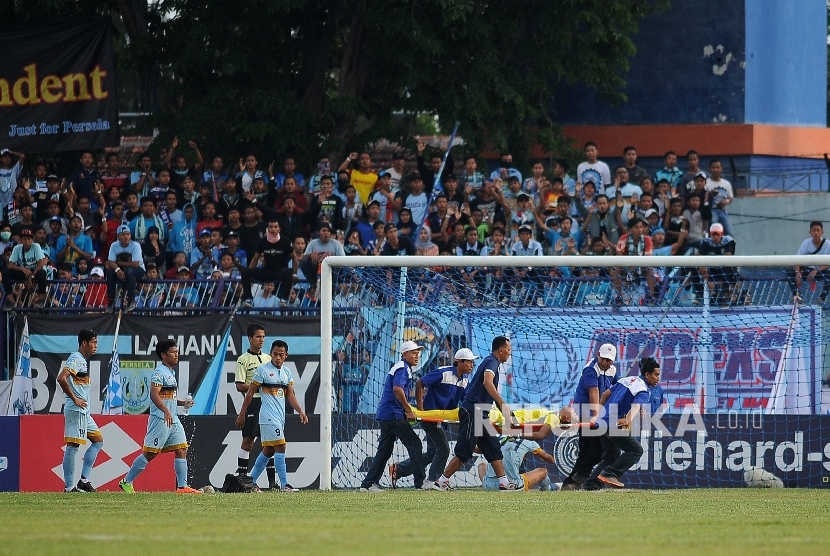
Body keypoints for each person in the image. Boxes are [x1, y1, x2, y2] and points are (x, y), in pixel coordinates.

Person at [436, 336, 519, 491]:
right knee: (464, 452)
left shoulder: (493, 363)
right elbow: (487, 382)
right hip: (474, 411)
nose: (509, 353)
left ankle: (504, 483)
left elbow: (489, 392)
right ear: (501, 350)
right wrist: (502, 403)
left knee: (493, 448)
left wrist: (507, 415)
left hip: (481, 413)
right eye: (508, 350)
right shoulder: (491, 361)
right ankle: (441, 481)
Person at [119, 339, 199, 493]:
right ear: (163, 355)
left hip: (172, 419)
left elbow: (168, 398)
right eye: (173, 352)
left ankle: (182, 487)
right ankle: (126, 481)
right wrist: (166, 411)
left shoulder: (170, 373)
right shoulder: (159, 373)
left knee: (182, 449)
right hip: (161, 419)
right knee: (150, 453)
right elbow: (154, 395)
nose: (177, 355)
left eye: (177, 351)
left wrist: (183, 403)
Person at [390, 348, 477, 488]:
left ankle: (399, 469)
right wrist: (421, 408)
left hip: (441, 419)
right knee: (443, 449)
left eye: (472, 362)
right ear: (459, 362)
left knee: (432, 452)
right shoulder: (443, 372)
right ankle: (434, 481)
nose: (472, 365)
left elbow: (466, 399)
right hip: (430, 417)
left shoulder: (465, 380)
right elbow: (420, 382)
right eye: (469, 362)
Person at [236, 339, 308, 492]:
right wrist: (242, 412)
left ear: (286, 355)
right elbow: (250, 393)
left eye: (281, 355)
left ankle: (251, 482)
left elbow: (291, 395)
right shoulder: (262, 370)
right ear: (271, 354)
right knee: (281, 446)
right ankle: (285, 485)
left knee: (268, 451)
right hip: (268, 416)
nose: (277, 357)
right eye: (275, 354)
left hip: (280, 417)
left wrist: (300, 411)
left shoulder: (287, 372)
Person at [359, 341, 428, 492]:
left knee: (385, 450)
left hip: (388, 414)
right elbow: (397, 389)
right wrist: (408, 410)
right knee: (415, 444)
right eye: (413, 353)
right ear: (404, 355)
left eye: (418, 353)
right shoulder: (403, 368)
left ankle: (368, 484)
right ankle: (420, 482)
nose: (417, 356)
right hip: (393, 414)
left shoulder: (403, 368)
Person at [588, 357, 661, 489]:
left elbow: (604, 395)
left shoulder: (626, 379)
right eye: (656, 375)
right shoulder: (644, 390)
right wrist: (628, 419)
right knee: (636, 450)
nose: (658, 378)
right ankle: (610, 473)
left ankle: (590, 485)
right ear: (647, 374)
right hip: (614, 424)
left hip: (602, 422)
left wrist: (598, 415)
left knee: (611, 457)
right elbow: (635, 405)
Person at [561, 343, 620, 491]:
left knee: (587, 451)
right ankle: (580, 479)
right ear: (598, 355)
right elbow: (593, 392)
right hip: (585, 412)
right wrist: (596, 417)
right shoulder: (590, 369)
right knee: (598, 450)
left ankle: (571, 482)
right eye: (603, 359)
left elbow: (616, 389)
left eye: (609, 360)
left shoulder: (613, 370)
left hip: (597, 412)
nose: (605, 362)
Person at [56, 329, 103, 492]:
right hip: (76, 409)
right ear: (84, 343)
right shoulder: (76, 358)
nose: (96, 346)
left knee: (98, 441)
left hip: (84, 411)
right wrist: (74, 398)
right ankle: (69, 487)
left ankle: (84, 480)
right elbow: (61, 378)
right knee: (73, 446)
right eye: (94, 342)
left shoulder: (81, 360)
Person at [234, 324, 270, 479]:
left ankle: (272, 483)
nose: (261, 340)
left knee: (271, 443)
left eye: (263, 336)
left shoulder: (268, 358)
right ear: (250, 339)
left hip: (269, 403)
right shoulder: (243, 360)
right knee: (248, 442)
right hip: (253, 403)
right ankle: (242, 479)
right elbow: (239, 385)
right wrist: (258, 387)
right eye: (258, 336)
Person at [240, 218, 294, 305]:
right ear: (267, 229)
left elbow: (294, 258)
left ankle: (284, 299)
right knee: (245, 272)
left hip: (279, 272)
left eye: (275, 227)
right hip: (266, 271)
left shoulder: (285, 241)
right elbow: (255, 258)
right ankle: (248, 299)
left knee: (287, 272)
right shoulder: (262, 241)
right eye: (271, 227)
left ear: (279, 229)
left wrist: (294, 274)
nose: (273, 229)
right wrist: (250, 272)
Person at [105, 225, 146, 312]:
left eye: (128, 234)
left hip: (138, 270)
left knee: (130, 271)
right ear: (118, 236)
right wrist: (118, 270)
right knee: (110, 272)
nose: (126, 237)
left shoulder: (136, 245)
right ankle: (111, 300)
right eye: (123, 235)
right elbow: (111, 261)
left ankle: (131, 299)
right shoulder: (114, 245)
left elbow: (135, 264)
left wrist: (118, 263)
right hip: (121, 270)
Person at [4, 228, 48, 307]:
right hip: (24, 271)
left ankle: (41, 300)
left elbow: (40, 264)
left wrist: (31, 277)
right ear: (20, 240)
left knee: (42, 273)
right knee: (6, 272)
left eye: (29, 239)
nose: (27, 241)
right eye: (24, 239)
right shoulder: (17, 248)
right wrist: (22, 269)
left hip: (35, 271)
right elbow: (10, 265)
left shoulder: (36, 246)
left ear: (32, 240)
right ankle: (10, 300)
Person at [788, 221, 830, 303]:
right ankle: (797, 296)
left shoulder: (828, 244)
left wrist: (816, 270)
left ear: (822, 232)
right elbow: (798, 259)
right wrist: (798, 273)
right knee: (789, 272)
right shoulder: (805, 243)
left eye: (818, 230)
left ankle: (822, 298)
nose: (816, 233)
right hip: (806, 270)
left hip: (820, 271)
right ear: (810, 232)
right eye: (814, 230)